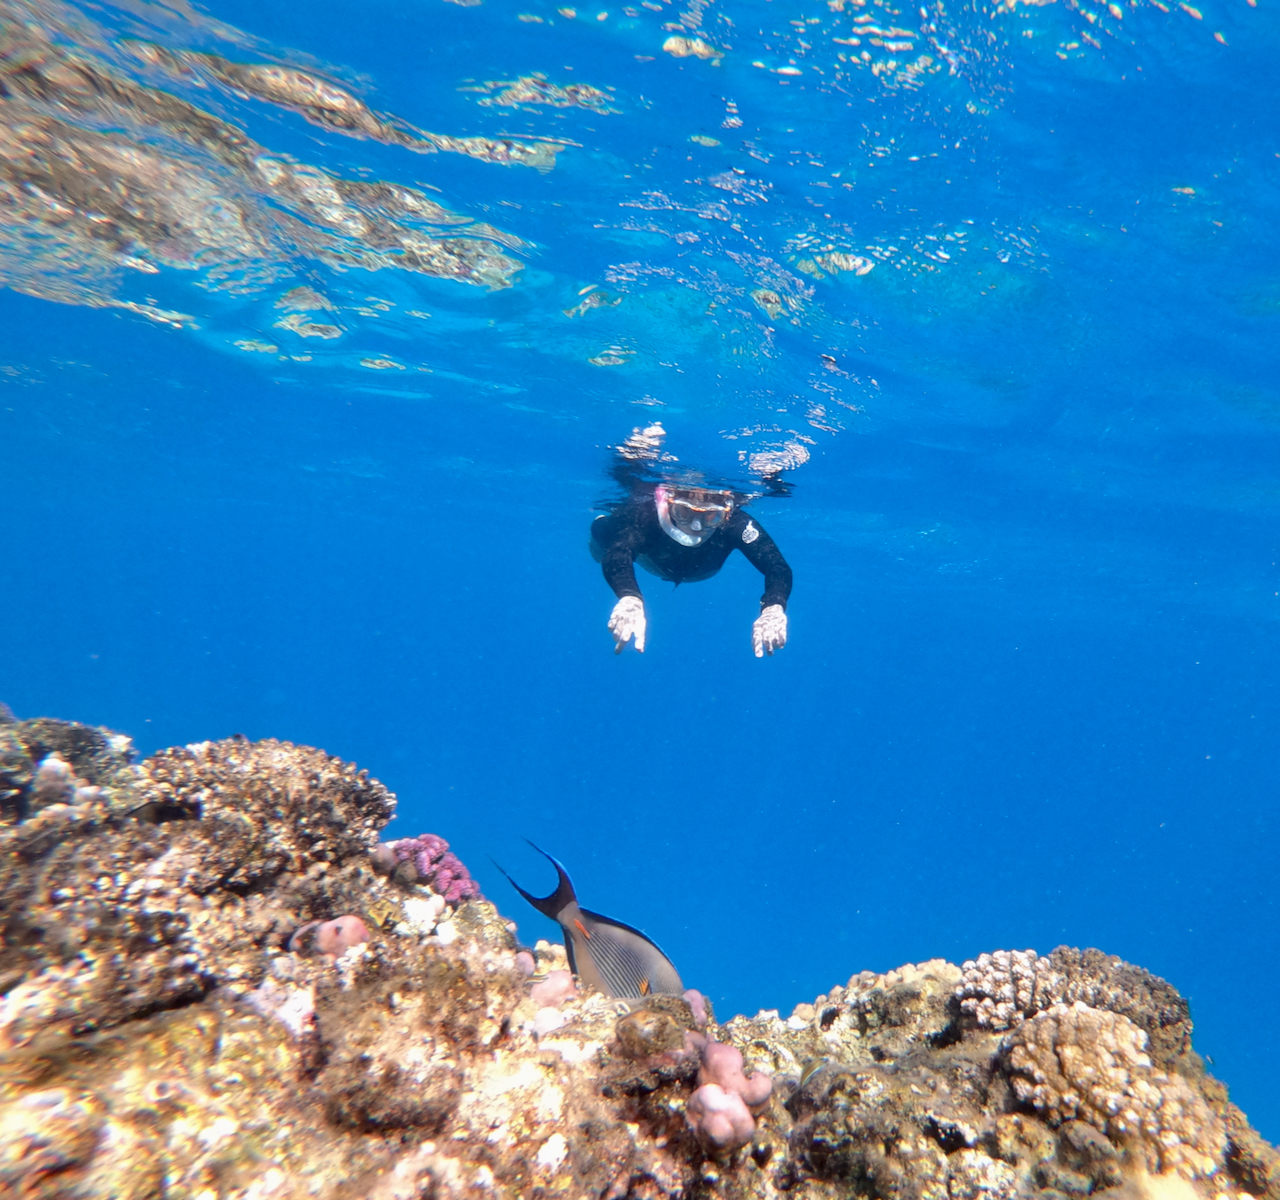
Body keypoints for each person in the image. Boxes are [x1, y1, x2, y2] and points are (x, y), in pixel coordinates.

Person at [590, 426, 793, 657]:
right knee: (605, 534)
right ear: (668, 504)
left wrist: (774, 606)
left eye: (711, 516)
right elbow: (618, 553)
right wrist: (629, 597)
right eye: (684, 513)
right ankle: (634, 455)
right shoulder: (645, 516)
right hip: (652, 560)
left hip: (701, 570)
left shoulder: (735, 523)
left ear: (726, 514)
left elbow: (777, 566)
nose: (696, 527)